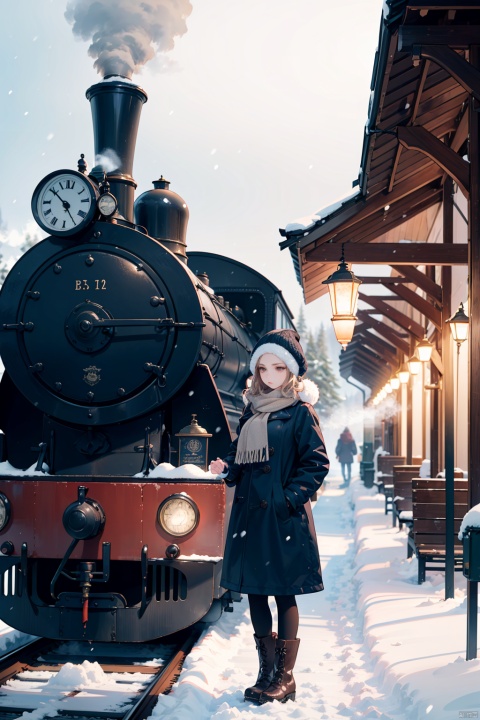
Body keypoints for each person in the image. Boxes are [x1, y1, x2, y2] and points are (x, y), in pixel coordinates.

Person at [209, 329, 329, 705]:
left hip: (282, 519)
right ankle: (265, 674)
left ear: (291, 372)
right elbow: (239, 456)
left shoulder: (300, 412)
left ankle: (285, 677)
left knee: (283, 593)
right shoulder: (251, 409)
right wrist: (226, 466)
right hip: (250, 518)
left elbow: (316, 464)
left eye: (278, 367)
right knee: (256, 595)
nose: (270, 375)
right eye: (263, 367)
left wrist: (287, 499)